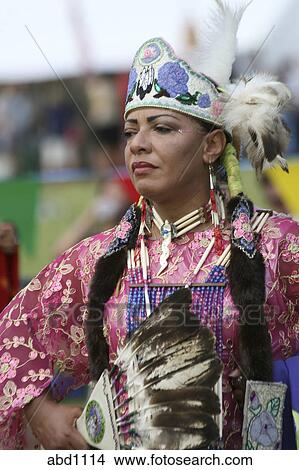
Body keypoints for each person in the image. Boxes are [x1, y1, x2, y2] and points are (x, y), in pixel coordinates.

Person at [1, 1, 299, 450]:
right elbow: (12, 340)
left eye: (161, 128)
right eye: (130, 131)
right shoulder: (95, 261)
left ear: (212, 146)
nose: (138, 144)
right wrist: (39, 411)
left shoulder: (274, 247)